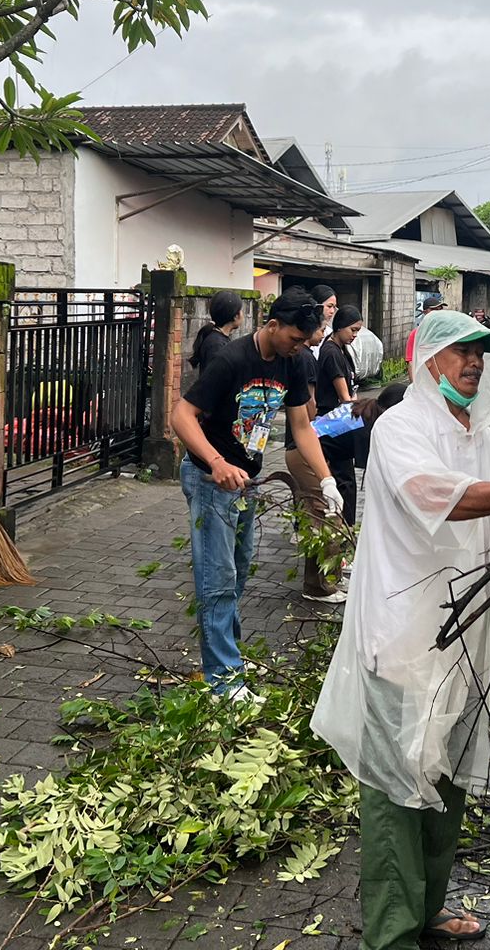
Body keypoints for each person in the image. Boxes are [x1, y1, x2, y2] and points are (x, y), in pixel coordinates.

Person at [312, 311, 490, 950]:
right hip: (402, 636)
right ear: (429, 360)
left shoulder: (482, 440)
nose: (475, 363)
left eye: (482, 354)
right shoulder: (401, 428)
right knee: (395, 789)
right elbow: (439, 497)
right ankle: (391, 935)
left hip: (466, 640)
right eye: (462, 351)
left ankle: (427, 910)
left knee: (445, 780)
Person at [170, 288, 341, 698]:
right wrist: (216, 462)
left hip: (247, 482)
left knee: (239, 569)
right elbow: (182, 415)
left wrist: (326, 479)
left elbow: (302, 426)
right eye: (295, 338)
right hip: (210, 480)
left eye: (305, 341)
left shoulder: (293, 362)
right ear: (273, 325)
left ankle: (227, 659)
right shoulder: (231, 359)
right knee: (218, 577)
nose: (299, 346)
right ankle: (224, 680)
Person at [287, 307, 367, 603]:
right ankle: (320, 585)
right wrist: (326, 480)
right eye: (353, 329)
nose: (355, 335)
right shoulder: (323, 355)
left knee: (328, 513)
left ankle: (330, 575)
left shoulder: (366, 420)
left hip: (315, 448)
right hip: (305, 451)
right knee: (326, 517)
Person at [189, 290, 244, 376]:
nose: (242, 314)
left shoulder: (217, 339)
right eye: (241, 310)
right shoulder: (216, 344)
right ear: (235, 316)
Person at [404, 296, 446, 378]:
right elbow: (411, 362)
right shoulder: (416, 334)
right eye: (434, 309)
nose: (437, 313)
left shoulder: (446, 332)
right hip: (425, 379)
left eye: (440, 309)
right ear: (425, 312)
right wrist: (414, 384)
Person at [308, 284, 337, 358]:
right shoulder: (305, 329)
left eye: (334, 307)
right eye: (329, 306)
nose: (332, 311)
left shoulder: (330, 332)